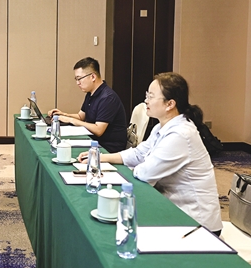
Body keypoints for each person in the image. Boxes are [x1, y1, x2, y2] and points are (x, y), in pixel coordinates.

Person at [84, 72, 222, 234]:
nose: (146, 101)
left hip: (197, 223)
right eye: (146, 95)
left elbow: (146, 173)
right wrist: (101, 157)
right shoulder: (161, 127)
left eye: (151, 96)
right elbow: (138, 154)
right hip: (173, 208)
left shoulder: (181, 134)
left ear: (170, 104)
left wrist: (132, 168)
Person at [47, 57, 127, 153]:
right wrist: (63, 115)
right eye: (76, 79)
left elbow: (98, 130)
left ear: (92, 77)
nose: (77, 83)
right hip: (94, 142)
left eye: (79, 79)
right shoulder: (91, 93)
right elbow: (81, 116)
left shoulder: (107, 98)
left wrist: (71, 120)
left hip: (108, 148)